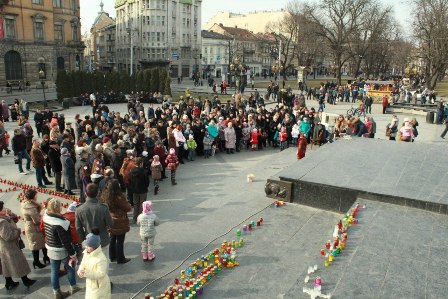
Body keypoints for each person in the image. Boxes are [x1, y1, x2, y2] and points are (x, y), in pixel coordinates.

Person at [43, 198, 79, 299]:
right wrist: (73, 254)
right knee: (70, 268)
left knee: (54, 270)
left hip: (50, 248)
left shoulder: (46, 216)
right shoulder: (61, 223)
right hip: (61, 250)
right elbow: (65, 241)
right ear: (58, 208)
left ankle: (56, 292)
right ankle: (74, 287)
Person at [0, 201, 37, 290]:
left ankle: (9, 283)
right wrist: (18, 231)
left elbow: (14, 220)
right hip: (9, 247)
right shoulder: (2, 222)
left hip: (6, 247)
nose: (4, 208)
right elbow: (8, 236)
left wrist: (10, 214)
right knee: (17, 263)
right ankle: (25, 280)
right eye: (2, 208)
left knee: (7, 264)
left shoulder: (4, 217)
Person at [101, 179, 132, 264]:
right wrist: (128, 204)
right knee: (120, 240)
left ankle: (112, 256)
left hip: (110, 219)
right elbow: (127, 208)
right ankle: (120, 258)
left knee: (112, 238)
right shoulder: (119, 197)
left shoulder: (105, 196)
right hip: (120, 220)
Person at [76, 183, 113, 252]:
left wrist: (84, 240)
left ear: (85, 194)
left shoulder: (79, 209)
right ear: (97, 193)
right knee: (104, 261)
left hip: (89, 240)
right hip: (103, 241)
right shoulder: (103, 208)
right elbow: (110, 224)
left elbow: (78, 228)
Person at [77, 229, 111, 298]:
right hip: (91, 284)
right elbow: (83, 264)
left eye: (88, 246)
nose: (86, 247)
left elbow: (101, 274)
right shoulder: (86, 253)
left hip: (99, 286)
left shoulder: (101, 258)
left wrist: (86, 273)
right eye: (85, 245)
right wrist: (80, 271)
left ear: (94, 247)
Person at [20, 189, 49, 269]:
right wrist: (44, 217)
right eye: (36, 195)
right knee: (35, 245)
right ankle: (36, 261)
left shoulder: (28, 203)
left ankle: (46, 257)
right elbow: (36, 220)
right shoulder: (30, 208)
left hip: (32, 226)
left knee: (42, 242)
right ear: (33, 196)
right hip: (33, 228)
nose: (37, 196)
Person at [129, 157, 150, 224]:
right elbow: (147, 182)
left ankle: (135, 218)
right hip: (143, 190)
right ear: (141, 163)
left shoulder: (131, 171)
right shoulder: (144, 171)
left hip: (135, 190)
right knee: (142, 204)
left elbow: (130, 181)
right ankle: (141, 219)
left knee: (136, 204)